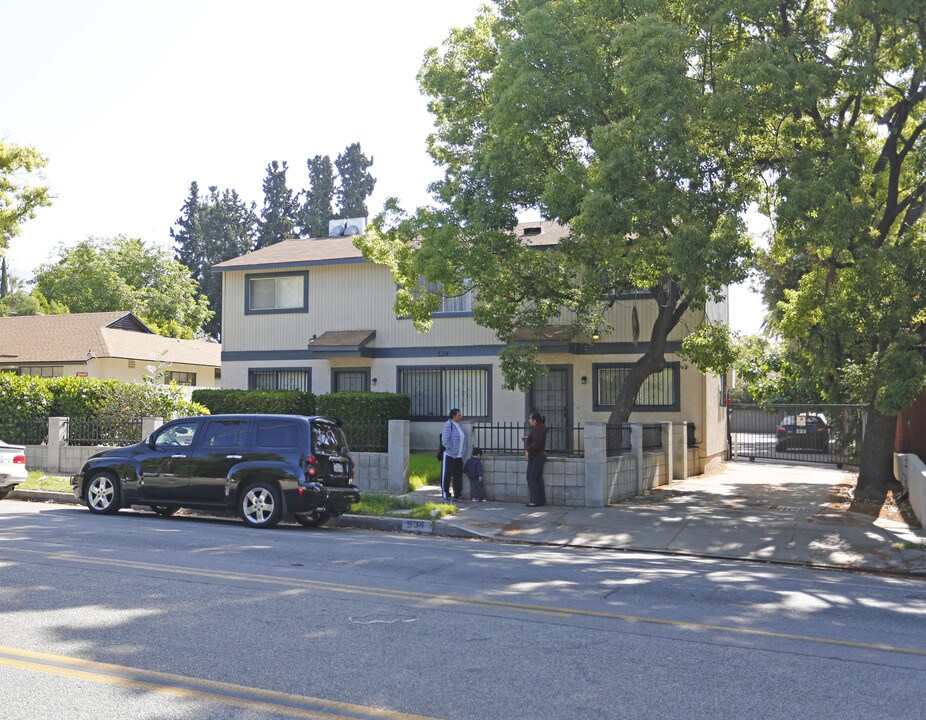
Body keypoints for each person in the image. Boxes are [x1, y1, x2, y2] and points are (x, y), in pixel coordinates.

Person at [440, 408, 466, 500]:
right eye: (459, 415)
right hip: (450, 455)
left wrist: (462, 451)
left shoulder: (460, 425)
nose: (461, 416)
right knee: (446, 475)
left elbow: (463, 439)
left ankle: (457, 493)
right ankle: (445, 493)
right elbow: (445, 440)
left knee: (458, 476)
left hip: (459, 456)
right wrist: (452, 448)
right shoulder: (448, 425)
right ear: (454, 416)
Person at [523, 410, 547, 507]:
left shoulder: (537, 429)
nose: (529, 420)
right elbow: (536, 440)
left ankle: (534, 500)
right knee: (538, 478)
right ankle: (540, 500)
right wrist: (527, 439)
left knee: (531, 477)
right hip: (539, 456)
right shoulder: (539, 428)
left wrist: (528, 450)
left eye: (530, 418)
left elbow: (537, 443)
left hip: (536, 456)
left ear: (534, 420)